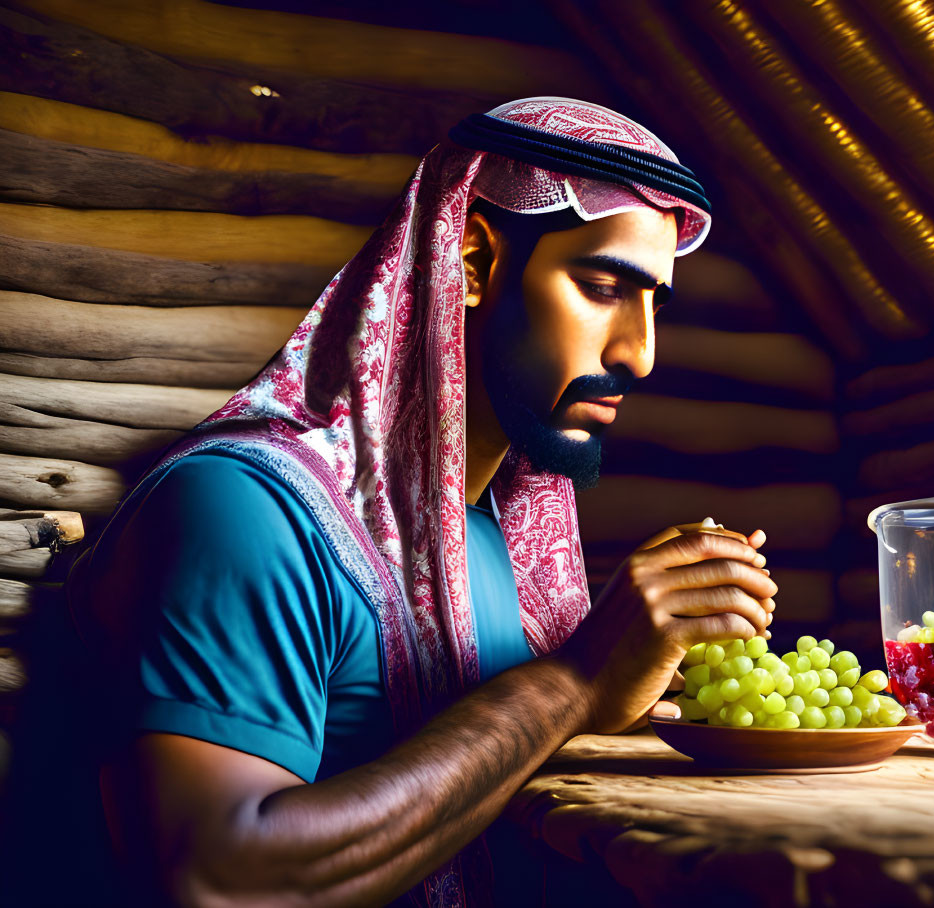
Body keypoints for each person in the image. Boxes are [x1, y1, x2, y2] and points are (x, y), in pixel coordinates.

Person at [65, 97, 777, 906]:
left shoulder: (505, 539)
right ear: (472, 262)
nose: (638, 355)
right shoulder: (243, 506)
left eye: (655, 303)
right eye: (603, 285)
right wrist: (572, 683)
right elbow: (221, 883)